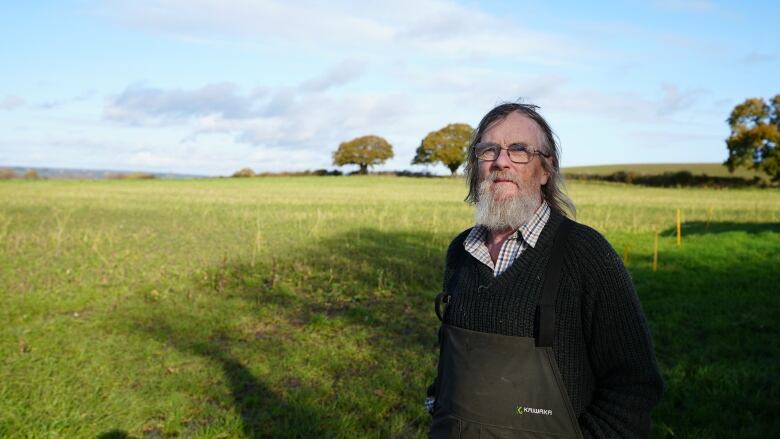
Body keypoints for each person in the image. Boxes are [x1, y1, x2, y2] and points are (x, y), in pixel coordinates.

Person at [426, 102, 664, 438]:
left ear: (545, 170)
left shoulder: (586, 254)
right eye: (488, 150)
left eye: (519, 150)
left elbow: (634, 385)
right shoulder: (460, 252)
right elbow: (453, 365)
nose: (501, 161)